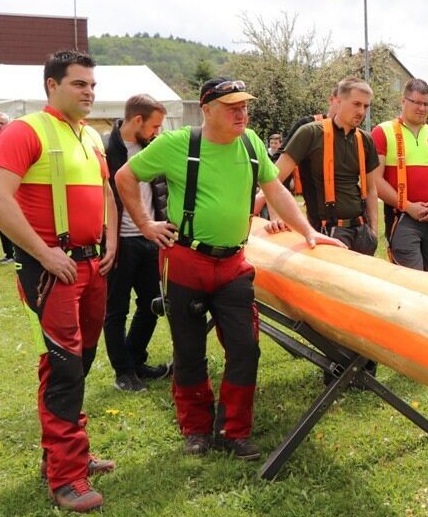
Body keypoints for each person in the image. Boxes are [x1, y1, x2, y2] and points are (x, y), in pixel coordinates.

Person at [116, 77, 345, 462]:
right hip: (185, 260)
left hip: (235, 263)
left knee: (245, 348)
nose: (242, 113)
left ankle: (233, 431)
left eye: (245, 106)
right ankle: (195, 428)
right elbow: (125, 176)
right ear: (207, 110)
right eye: (232, 106)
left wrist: (307, 231)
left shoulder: (252, 143)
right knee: (188, 350)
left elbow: (276, 192)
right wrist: (145, 225)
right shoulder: (176, 144)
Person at [0, 50, 118, 512]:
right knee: (64, 369)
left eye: (92, 85)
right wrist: (44, 252)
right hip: (52, 270)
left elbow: (105, 193)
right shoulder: (26, 131)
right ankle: (66, 479)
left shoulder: (93, 137)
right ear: (51, 86)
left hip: (91, 266)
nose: (89, 92)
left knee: (78, 363)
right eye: (79, 84)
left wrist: (112, 243)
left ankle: (69, 456)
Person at [104, 94, 172, 393]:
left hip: (150, 239)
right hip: (119, 242)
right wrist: (107, 240)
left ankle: (134, 359)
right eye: (154, 125)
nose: (158, 131)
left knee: (152, 305)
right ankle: (123, 373)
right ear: (137, 120)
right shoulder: (106, 149)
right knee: (116, 310)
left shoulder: (154, 148)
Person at [270, 77, 379, 255]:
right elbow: (273, 178)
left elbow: (372, 189)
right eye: (356, 104)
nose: (361, 111)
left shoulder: (365, 139)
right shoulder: (310, 133)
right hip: (329, 231)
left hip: (362, 231)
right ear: (338, 100)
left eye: (366, 106)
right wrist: (274, 217)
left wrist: (373, 232)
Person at [372, 79, 428, 272]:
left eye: (426, 104)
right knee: (411, 278)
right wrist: (408, 207)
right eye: (416, 102)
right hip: (402, 217)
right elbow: (376, 180)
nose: (422, 108)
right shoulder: (383, 132)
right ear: (403, 101)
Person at [0, 111, 16, 263]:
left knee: (7, 222)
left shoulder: (13, 140)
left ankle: (13, 253)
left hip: (12, 189)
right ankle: (9, 253)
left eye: (2, 123)